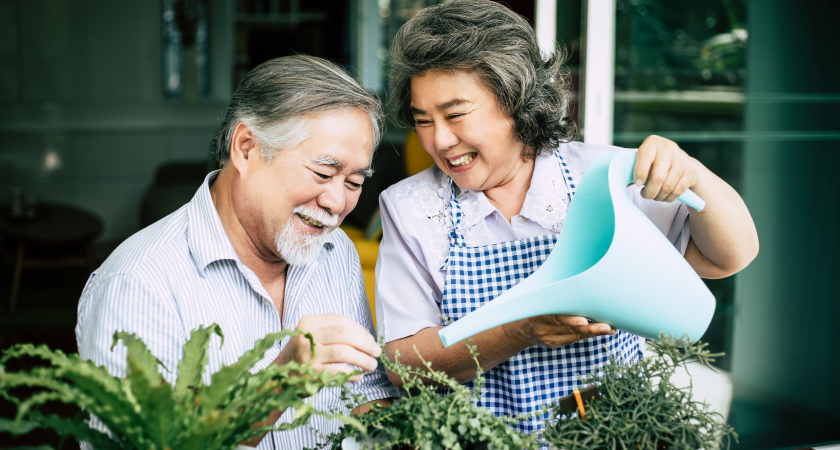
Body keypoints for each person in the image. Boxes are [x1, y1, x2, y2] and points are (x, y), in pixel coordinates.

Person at [375, 0, 759, 439]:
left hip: (613, 436)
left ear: (514, 97)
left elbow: (728, 257)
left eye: (456, 114)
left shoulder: (606, 176)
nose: (440, 140)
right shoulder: (411, 208)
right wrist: (521, 330)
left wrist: (694, 175)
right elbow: (405, 366)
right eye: (423, 121)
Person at [76, 55, 398, 449]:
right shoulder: (136, 283)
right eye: (323, 172)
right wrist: (279, 382)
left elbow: (367, 393)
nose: (336, 202)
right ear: (246, 148)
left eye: (353, 181)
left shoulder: (337, 251)